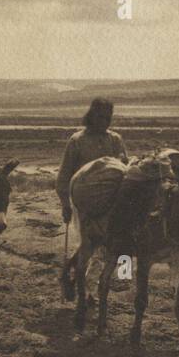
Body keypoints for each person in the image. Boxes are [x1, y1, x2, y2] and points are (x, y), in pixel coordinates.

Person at [57, 97, 128, 296]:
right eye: (100, 117)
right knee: (90, 244)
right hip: (83, 202)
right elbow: (64, 175)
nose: (105, 121)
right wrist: (65, 204)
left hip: (111, 202)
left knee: (102, 247)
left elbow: (125, 169)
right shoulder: (77, 140)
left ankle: (86, 288)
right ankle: (77, 280)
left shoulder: (115, 140)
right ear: (91, 116)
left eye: (108, 117)